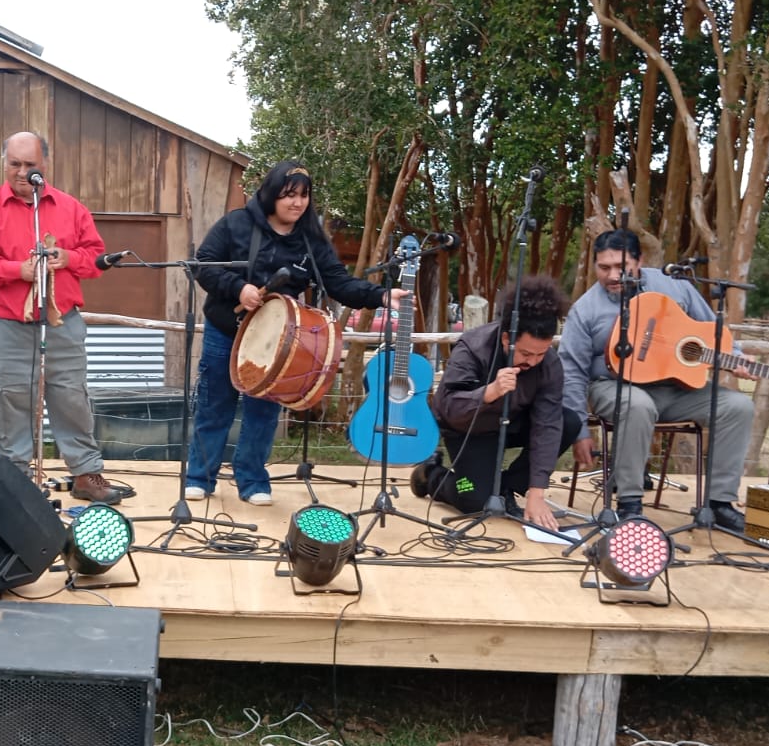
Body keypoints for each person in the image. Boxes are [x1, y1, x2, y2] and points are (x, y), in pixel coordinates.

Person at [186, 160, 402, 504]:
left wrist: (380, 295)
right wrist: (239, 288)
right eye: (289, 195)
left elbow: (339, 283)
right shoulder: (235, 224)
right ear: (272, 194)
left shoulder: (310, 239)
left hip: (278, 345)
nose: (297, 203)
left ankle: (253, 481)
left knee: (264, 411)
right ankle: (199, 477)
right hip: (226, 329)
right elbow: (204, 265)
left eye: (303, 196)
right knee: (215, 405)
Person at [0, 131, 129, 505]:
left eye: (29, 165)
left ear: (44, 166)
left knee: (71, 397)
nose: (22, 173)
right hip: (9, 325)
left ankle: (85, 474)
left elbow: (96, 258)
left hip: (62, 322)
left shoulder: (70, 208)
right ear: (4, 164)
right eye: (14, 164)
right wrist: (17, 271)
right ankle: (15, 479)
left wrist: (68, 258)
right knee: (11, 399)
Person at [559, 228, 756, 532]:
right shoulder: (586, 309)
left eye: (621, 267)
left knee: (738, 406)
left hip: (675, 389)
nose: (613, 275)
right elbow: (572, 371)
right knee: (637, 405)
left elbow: (710, 329)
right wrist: (579, 430)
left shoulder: (674, 287)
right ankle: (630, 504)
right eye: (604, 267)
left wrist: (736, 357)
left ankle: (719, 503)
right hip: (614, 387)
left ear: (638, 262)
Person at [417, 275, 576, 530]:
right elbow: (449, 408)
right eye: (525, 353)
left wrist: (537, 492)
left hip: (513, 422)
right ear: (506, 339)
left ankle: (508, 486)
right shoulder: (472, 347)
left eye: (541, 353)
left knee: (568, 422)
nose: (533, 361)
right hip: (469, 428)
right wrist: (489, 393)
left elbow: (547, 424)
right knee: (473, 499)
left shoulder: (550, 364)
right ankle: (433, 476)